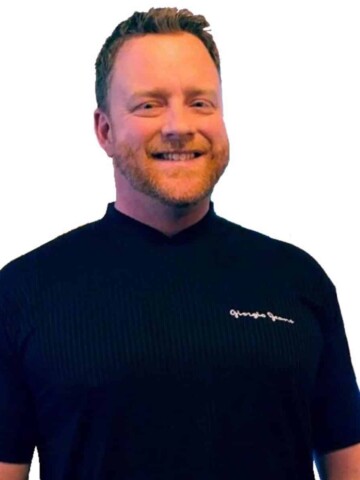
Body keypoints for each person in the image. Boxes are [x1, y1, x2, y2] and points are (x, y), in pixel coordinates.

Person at [0, 7, 359, 480]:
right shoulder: (26, 291)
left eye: (200, 102)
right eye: (149, 104)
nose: (179, 125)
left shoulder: (298, 280)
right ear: (104, 130)